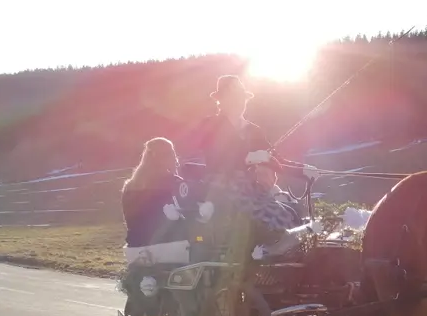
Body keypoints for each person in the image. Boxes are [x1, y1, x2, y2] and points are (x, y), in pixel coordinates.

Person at [180, 75, 319, 245]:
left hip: (250, 189)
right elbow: (217, 157)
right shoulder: (210, 125)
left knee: (288, 214)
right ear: (221, 100)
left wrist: (302, 170)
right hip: (220, 189)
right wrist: (247, 159)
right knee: (265, 218)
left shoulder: (253, 130)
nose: (239, 102)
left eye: (241, 98)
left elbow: (275, 159)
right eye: (233, 97)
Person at [121, 137, 186, 249]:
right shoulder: (174, 183)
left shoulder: (130, 186)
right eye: (172, 154)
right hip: (169, 246)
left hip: (135, 246)